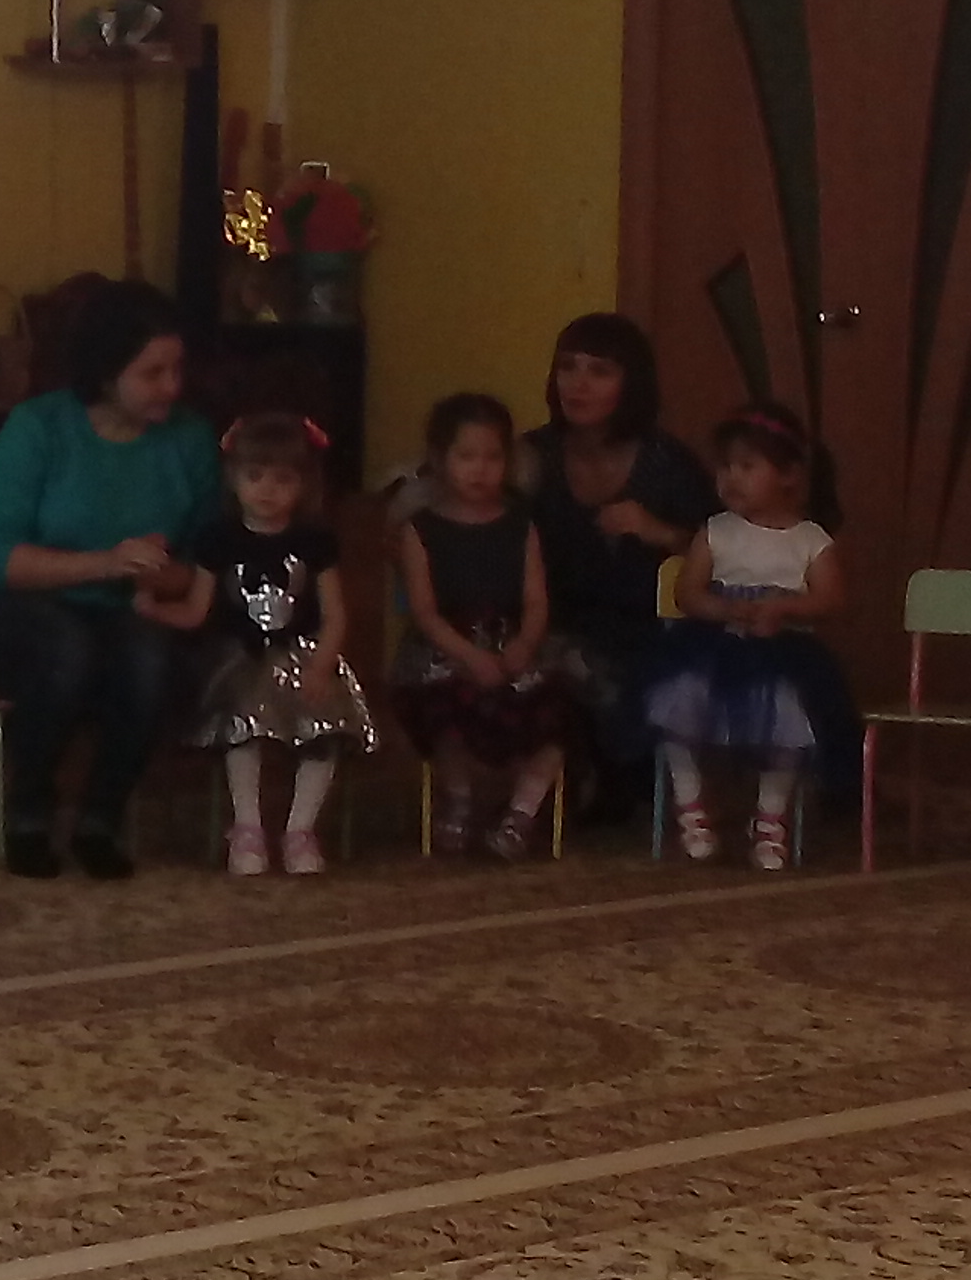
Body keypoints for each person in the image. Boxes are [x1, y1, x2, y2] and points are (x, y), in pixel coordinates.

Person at [0, 279, 221, 879]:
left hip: (132, 608)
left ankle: (101, 816)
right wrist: (106, 563)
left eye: (177, 369)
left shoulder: (189, 439)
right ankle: (30, 808)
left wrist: (163, 574)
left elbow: (208, 560)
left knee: (148, 659)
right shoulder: (39, 427)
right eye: (152, 373)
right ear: (107, 374)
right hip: (20, 609)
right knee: (68, 648)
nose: (172, 387)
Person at [148, 410, 374, 876]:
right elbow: (196, 610)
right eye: (255, 477)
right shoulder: (218, 538)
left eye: (283, 480)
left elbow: (336, 615)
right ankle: (248, 826)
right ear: (234, 479)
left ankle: (300, 829)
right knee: (243, 721)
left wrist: (321, 664)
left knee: (325, 725)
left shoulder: (315, 541)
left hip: (305, 654)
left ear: (304, 484)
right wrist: (151, 610)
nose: (267, 490)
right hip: (240, 657)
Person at [643, 405, 854, 869]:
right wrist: (725, 609)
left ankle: (770, 819)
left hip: (781, 651)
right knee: (677, 701)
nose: (731, 477)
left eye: (747, 466)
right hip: (713, 643)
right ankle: (690, 806)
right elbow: (688, 594)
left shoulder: (810, 539)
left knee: (788, 713)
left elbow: (831, 599)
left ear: (788, 475)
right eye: (725, 466)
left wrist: (784, 607)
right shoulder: (715, 531)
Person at [520, 313, 719, 787]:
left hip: (645, 633)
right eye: (568, 367)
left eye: (600, 371)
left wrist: (659, 532)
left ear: (631, 384)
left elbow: (727, 550)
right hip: (550, 625)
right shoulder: (531, 455)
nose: (578, 384)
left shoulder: (666, 462)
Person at [389, 392, 567, 857]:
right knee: (444, 709)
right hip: (447, 646)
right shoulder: (419, 529)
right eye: (466, 457)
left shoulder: (521, 524)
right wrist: (469, 656)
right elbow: (424, 612)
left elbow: (535, 600)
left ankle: (520, 814)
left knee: (557, 713)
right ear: (439, 460)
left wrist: (524, 644)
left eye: (492, 457)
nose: (480, 469)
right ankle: (460, 802)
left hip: (509, 640)